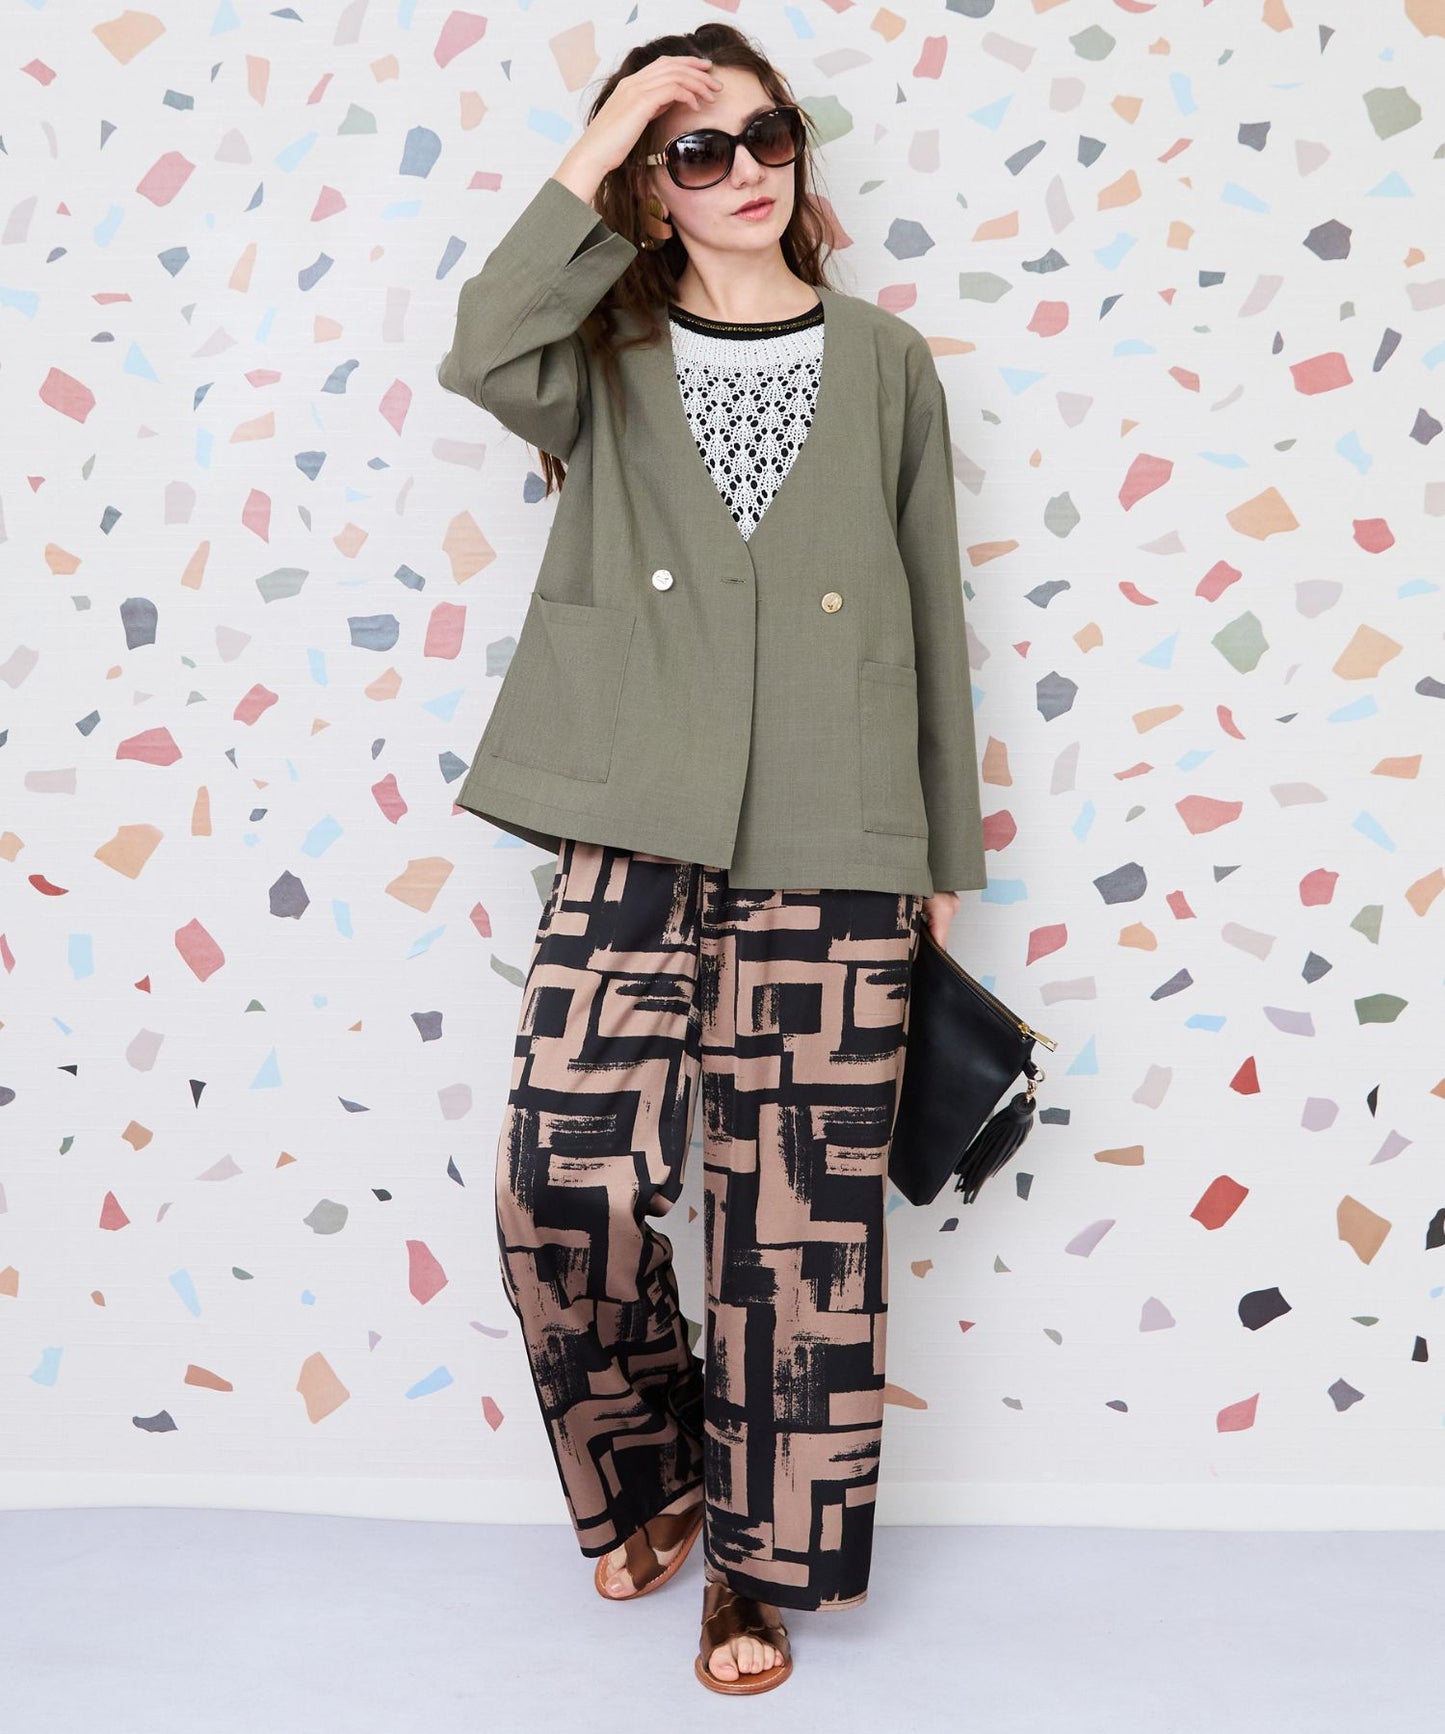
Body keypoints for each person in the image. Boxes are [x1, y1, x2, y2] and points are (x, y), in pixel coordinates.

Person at [437, 20, 987, 1696]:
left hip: (838, 826)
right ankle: (659, 1463)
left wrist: (939, 850)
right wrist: (601, 131)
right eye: (697, 148)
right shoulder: (595, 354)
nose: (745, 168)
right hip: (631, 812)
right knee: (560, 1182)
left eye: (769, 134)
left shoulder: (885, 361)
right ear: (647, 183)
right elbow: (479, 345)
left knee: (794, 1236)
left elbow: (932, 606)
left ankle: (752, 1573)